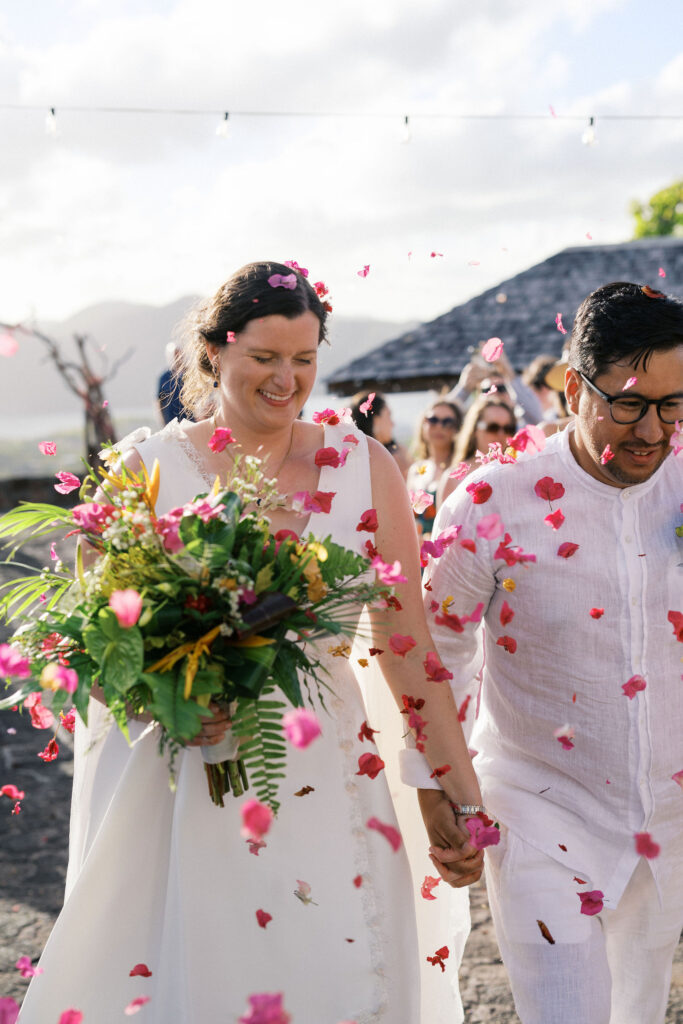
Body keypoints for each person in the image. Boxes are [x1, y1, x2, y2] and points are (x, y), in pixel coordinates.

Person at [18, 262, 483, 1024]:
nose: (286, 380)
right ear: (213, 351)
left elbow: (406, 643)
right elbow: (96, 648)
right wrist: (168, 701)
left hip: (333, 775)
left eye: (303, 359)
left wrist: (456, 792)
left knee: (338, 976)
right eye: (264, 357)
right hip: (192, 789)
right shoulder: (144, 473)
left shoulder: (365, 468)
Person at [407, 281, 683, 1024]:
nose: (652, 431)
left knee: (637, 1011)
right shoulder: (491, 501)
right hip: (537, 808)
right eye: (629, 404)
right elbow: (438, 648)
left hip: (667, 818)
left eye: (672, 405)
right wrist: (436, 789)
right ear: (572, 388)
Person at [437, 394, 517, 503]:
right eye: (492, 427)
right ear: (475, 429)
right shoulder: (453, 478)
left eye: (508, 428)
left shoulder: (517, 471)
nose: (501, 434)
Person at [407, 399, 463, 535]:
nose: (439, 426)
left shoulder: (461, 470)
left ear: (458, 429)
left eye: (447, 422)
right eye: (433, 420)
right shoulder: (416, 469)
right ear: (423, 424)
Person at [349, 390, 411, 478]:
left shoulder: (351, 459)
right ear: (376, 421)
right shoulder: (395, 459)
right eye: (388, 415)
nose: (393, 424)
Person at [157, 342, 192, 425]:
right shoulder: (165, 377)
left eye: (180, 354)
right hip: (171, 420)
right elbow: (159, 401)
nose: (179, 357)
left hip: (190, 420)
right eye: (176, 355)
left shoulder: (191, 374)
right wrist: (162, 421)